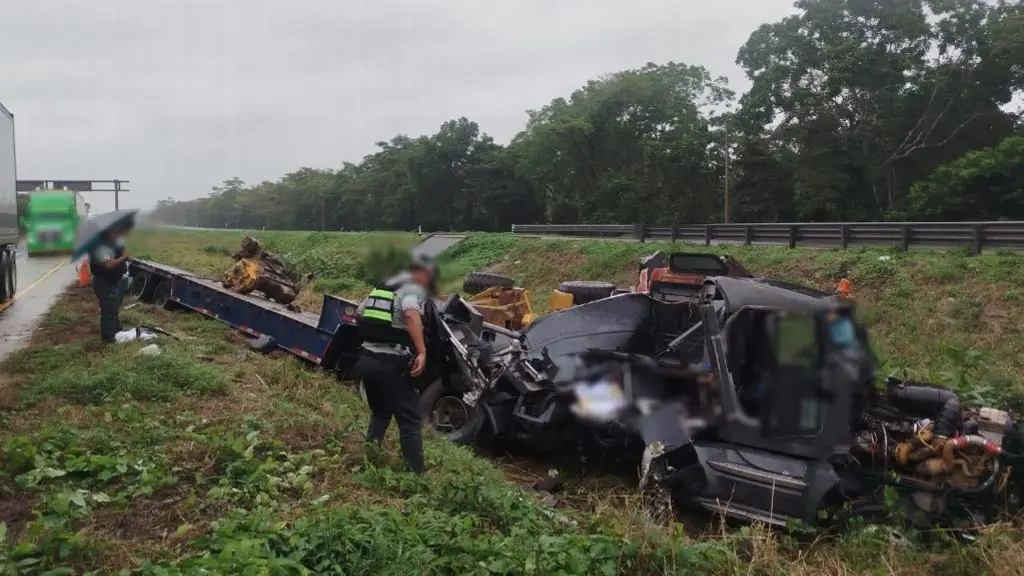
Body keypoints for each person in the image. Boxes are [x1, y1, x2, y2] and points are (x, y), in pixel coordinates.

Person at [352, 252, 437, 475]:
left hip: (367, 361)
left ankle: (369, 460)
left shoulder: (380, 289)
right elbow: (410, 315)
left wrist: (379, 333)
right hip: (391, 365)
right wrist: (421, 351)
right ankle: (414, 474)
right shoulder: (410, 290)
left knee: (380, 412)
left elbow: (358, 314)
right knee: (409, 420)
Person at [89, 227, 132, 344]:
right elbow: (108, 264)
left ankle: (116, 330)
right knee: (108, 311)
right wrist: (123, 258)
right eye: (116, 232)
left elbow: (120, 255)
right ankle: (108, 340)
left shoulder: (112, 244)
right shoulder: (100, 247)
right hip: (103, 282)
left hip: (112, 280)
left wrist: (124, 255)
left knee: (113, 308)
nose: (118, 235)